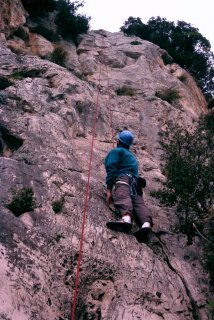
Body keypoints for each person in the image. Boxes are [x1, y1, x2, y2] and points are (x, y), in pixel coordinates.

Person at [104, 130, 153, 242]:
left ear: (118, 141)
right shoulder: (132, 157)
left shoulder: (116, 152)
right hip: (135, 182)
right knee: (138, 202)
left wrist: (109, 188)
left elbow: (111, 169)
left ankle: (126, 219)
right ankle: (146, 224)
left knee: (123, 195)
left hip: (123, 178)